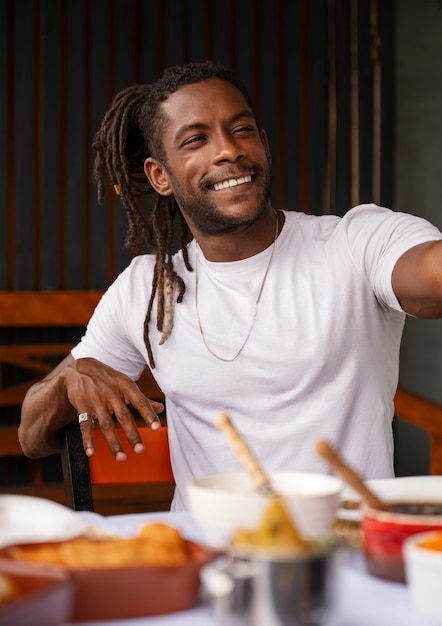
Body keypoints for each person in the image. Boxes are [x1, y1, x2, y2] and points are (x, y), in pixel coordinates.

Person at [19, 60, 442, 511]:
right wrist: (67, 385)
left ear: (263, 145)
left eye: (241, 130)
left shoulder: (355, 242)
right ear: (160, 175)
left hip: (346, 550)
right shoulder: (148, 288)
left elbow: (429, 275)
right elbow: (31, 434)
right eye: (196, 139)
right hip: (209, 554)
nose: (228, 150)